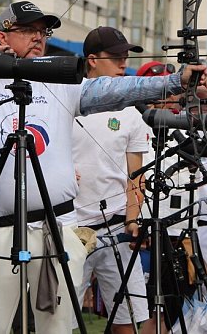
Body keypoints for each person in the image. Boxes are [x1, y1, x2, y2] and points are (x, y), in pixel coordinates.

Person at [0, 0, 207, 333]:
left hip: (60, 228)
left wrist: (174, 81)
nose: (38, 37)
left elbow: (116, 89)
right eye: (27, 30)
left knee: (56, 328)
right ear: (2, 35)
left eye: (43, 31)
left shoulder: (59, 75)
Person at [71, 26, 152, 333]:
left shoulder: (132, 111)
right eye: (116, 57)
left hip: (116, 228)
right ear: (92, 59)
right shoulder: (68, 98)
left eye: (126, 57)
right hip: (69, 228)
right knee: (58, 320)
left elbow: (136, 176)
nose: (123, 64)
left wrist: (133, 220)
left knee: (128, 320)